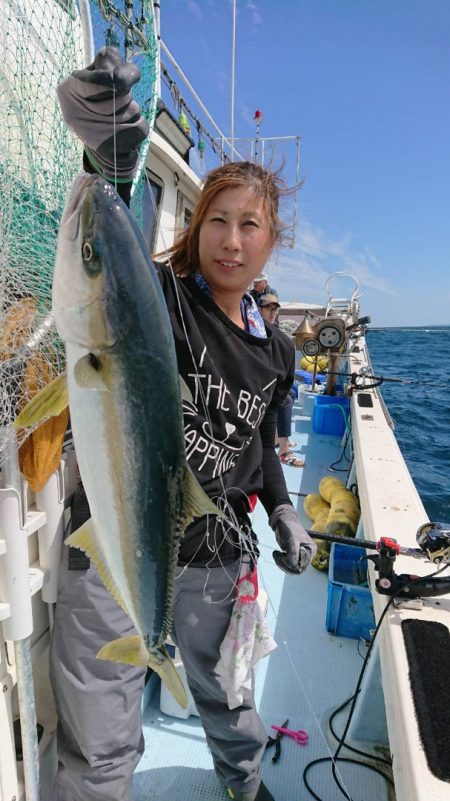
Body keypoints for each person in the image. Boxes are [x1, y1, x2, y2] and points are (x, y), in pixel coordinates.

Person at [51, 46, 316, 801]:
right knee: (103, 741)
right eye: (219, 221)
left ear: (272, 239)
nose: (232, 240)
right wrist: (111, 158)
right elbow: (120, 264)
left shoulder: (277, 349)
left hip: (219, 559)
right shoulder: (165, 302)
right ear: (196, 228)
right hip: (114, 541)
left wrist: (284, 505)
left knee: (232, 705)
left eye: (251, 225)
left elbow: (262, 445)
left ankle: (243, 785)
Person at [258, 297, 303, 468]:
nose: (272, 312)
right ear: (259, 309)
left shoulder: (271, 329)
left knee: (290, 393)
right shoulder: (255, 328)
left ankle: (278, 437)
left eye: (275, 309)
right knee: (285, 400)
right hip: (257, 382)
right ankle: (283, 451)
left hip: (268, 378)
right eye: (268, 308)